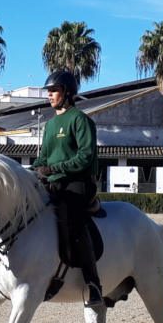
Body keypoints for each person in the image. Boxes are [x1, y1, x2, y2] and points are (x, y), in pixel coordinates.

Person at [32, 70, 103, 309]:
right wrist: (34, 171)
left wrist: (54, 168)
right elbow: (42, 158)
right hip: (53, 181)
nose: (49, 95)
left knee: (71, 218)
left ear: (67, 93)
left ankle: (93, 283)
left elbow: (85, 157)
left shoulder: (80, 120)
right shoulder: (50, 125)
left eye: (54, 91)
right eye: (48, 92)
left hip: (78, 183)